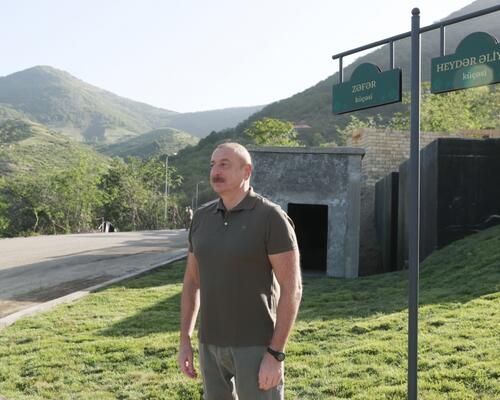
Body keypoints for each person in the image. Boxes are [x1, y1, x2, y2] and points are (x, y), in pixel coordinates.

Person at [178, 142, 302, 400]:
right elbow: (192, 281)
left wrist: (276, 353)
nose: (216, 171)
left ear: (246, 171)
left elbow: (292, 288)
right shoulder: (201, 218)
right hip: (209, 344)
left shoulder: (271, 217)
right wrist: (185, 340)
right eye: (213, 164)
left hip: (256, 346)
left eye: (224, 164)